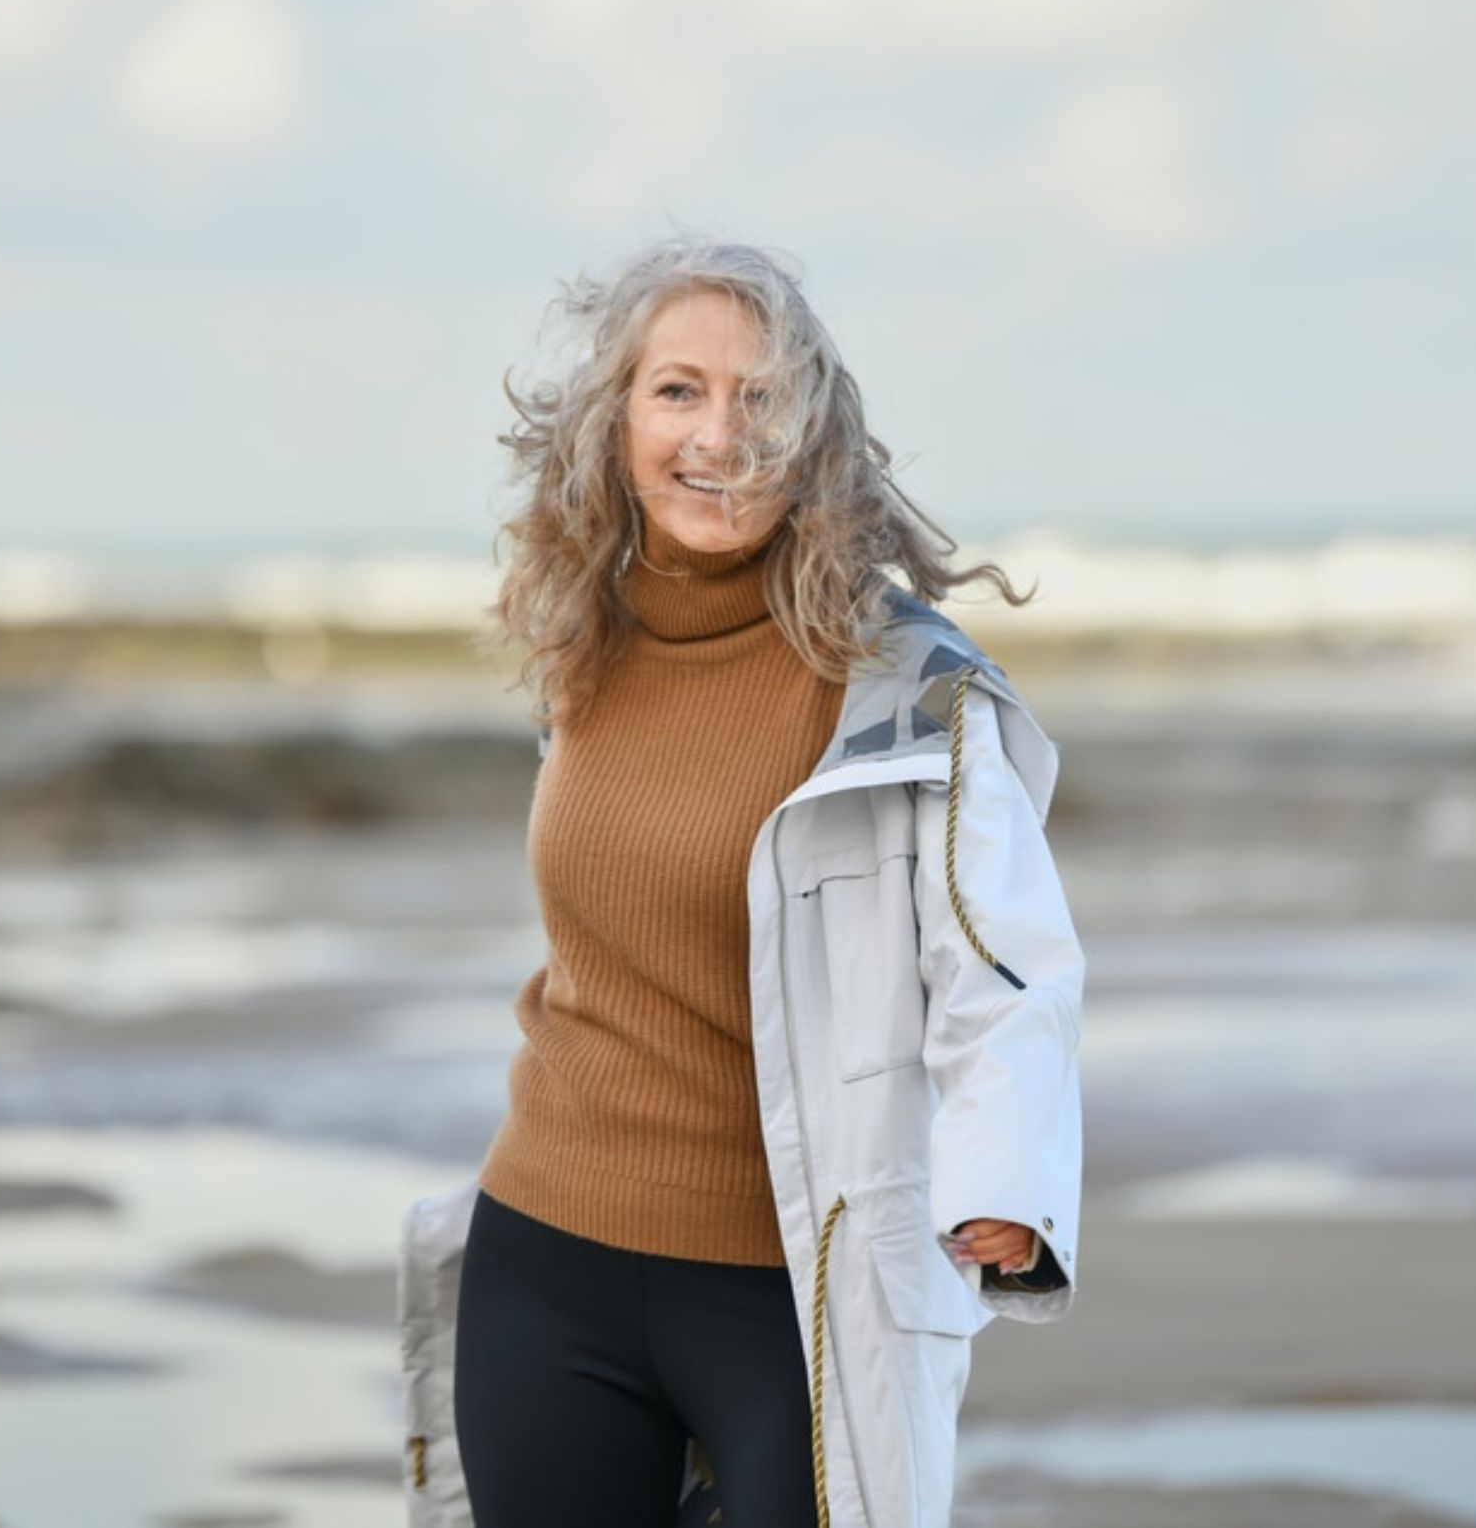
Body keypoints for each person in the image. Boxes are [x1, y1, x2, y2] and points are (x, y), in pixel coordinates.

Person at [398, 239, 1085, 1528]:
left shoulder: (904, 685)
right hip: (547, 1259)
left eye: (761, 396)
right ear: (614, 422)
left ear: (816, 435)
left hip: (795, 1289)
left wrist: (1007, 1183)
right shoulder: (584, 639)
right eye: (679, 391)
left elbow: (1006, 958)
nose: (721, 432)